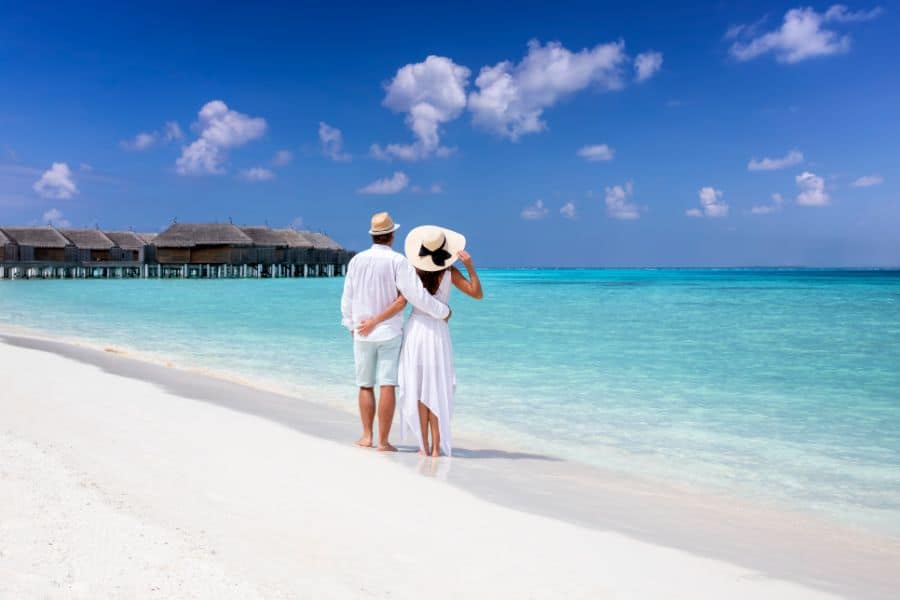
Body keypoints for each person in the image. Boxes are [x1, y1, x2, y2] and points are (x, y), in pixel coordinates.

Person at [360, 225, 482, 457]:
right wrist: (470, 267)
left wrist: (373, 321)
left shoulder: (412, 272)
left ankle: (423, 447)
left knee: (418, 387)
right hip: (438, 332)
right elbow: (477, 293)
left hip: (416, 331)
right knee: (436, 386)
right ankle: (436, 448)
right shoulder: (450, 272)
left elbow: (399, 303)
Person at [340, 213, 451, 452]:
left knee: (365, 385)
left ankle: (367, 436)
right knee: (387, 384)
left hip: (361, 332)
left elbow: (347, 298)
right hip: (389, 331)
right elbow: (415, 296)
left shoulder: (356, 260)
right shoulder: (398, 261)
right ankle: (383, 441)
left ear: (373, 235)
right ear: (391, 236)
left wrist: (351, 325)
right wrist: (442, 311)